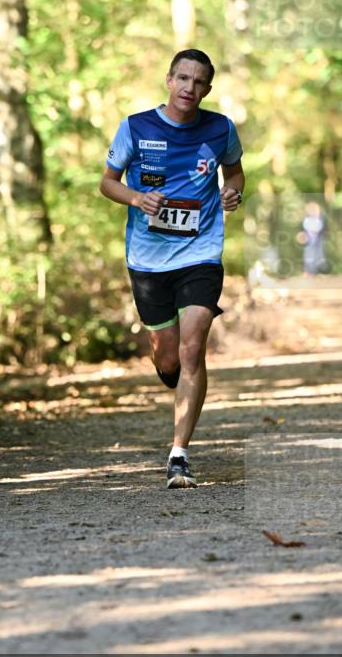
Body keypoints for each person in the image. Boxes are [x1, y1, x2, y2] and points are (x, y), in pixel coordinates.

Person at [100, 49, 245, 489]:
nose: (190, 88)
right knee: (168, 357)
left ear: (208, 89)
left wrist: (232, 193)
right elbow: (107, 182)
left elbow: (235, 174)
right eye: (183, 78)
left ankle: (179, 454)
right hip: (148, 258)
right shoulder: (136, 126)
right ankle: (170, 372)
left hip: (201, 252)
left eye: (199, 82)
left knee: (192, 347)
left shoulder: (220, 128)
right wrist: (136, 198)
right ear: (169, 80)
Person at [298, 201, 328, 277]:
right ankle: (308, 272)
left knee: (319, 255)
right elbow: (302, 230)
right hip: (309, 240)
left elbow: (324, 229)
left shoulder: (321, 218)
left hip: (318, 239)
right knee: (308, 255)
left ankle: (318, 271)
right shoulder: (306, 220)